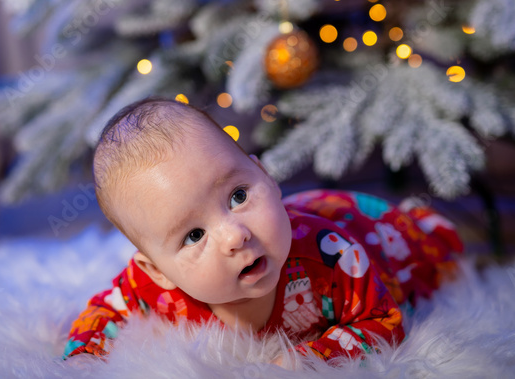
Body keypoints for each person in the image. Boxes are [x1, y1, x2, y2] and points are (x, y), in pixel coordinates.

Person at [63, 97, 464, 363]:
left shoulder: (332, 255)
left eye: (238, 195)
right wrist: (79, 361)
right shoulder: (151, 286)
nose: (235, 235)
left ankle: (424, 226)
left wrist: (305, 359)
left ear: (266, 175)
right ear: (158, 271)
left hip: (357, 221)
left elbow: (384, 322)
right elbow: (101, 316)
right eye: (194, 236)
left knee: (426, 255)